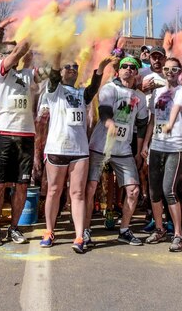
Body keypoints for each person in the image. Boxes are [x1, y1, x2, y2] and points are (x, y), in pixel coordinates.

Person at [40, 54, 109, 252]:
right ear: (61, 71)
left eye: (75, 67)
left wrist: (100, 69)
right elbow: (53, 76)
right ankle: (49, 231)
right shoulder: (54, 90)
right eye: (67, 66)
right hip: (57, 148)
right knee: (54, 191)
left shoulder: (81, 93)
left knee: (78, 193)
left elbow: (93, 88)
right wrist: (57, 57)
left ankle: (79, 235)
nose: (72, 69)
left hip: (79, 150)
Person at [85, 56, 149, 247]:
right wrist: (109, 123)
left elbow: (142, 125)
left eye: (132, 67)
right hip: (100, 146)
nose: (128, 69)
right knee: (91, 188)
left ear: (136, 72)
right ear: (118, 71)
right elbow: (104, 110)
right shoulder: (110, 88)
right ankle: (85, 230)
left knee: (133, 190)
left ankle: (124, 230)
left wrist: (139, 151)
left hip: (123, 150)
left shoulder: (140, 97)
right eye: (124, 66)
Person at [0, 40, 37, 246]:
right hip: (2, 132)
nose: (13, 55)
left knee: (22, 185)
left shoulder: (28, 74)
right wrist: (31, 34)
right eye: (8, 52)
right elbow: (18, 53)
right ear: (2, 56)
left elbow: (49, 72)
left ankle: (14, 228)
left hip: (26, 134)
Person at [143, 57, 182, 252]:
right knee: (154, 191)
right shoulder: (157, 92)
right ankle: (159, 229)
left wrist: (170, 124)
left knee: (168, 189)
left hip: (175, 146)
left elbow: (176, 108)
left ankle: (178, 235)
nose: (170, 72)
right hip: (157, 145)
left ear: (179, 72)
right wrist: (146, 143)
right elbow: (152, 119)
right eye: (167, 69)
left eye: (174, 69)